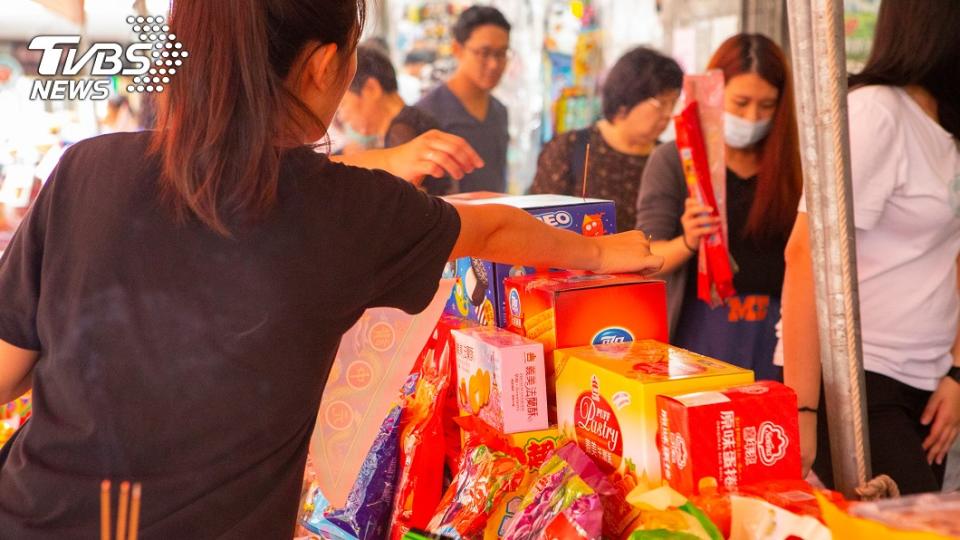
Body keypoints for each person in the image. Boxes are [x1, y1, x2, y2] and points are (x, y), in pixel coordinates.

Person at [0, 0, 662, 537]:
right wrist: (604, 251)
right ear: (322, 65)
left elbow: (5, 374)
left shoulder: (87, 170)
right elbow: (488, 225)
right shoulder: (349, 214)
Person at [782, 0, 960, 494]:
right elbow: (805, 257)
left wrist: (957, 373)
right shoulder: (876, 112)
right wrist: (802, 410)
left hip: (925, 385)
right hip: (857, 382)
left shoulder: (944, 127)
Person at [635, 33, 802, 381]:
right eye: (740, 103)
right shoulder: (675, 161)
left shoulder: (794, 166)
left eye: (767, 106)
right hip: (700, 337)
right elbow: (647, 257)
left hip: (781, 336)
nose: (752, 116)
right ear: (714, 94)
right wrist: (688, 241)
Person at [530, 46, 682, 232]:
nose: (668, 114)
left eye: (673, 104)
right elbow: (537, 221)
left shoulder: (667, 160)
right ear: (629, 96)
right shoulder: (571, 147)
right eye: (661, 103)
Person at [417, 5, 510, 193]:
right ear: (457, 49)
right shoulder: (426, 112)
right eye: (484, 53)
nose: (493, 64)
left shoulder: (500, 111)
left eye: (501, 54)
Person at [338, 45, 450, 195]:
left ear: (371, 89)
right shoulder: (412, 119)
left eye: (343, 104)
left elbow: (406, 201)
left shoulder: (402, 130)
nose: (342, 116)